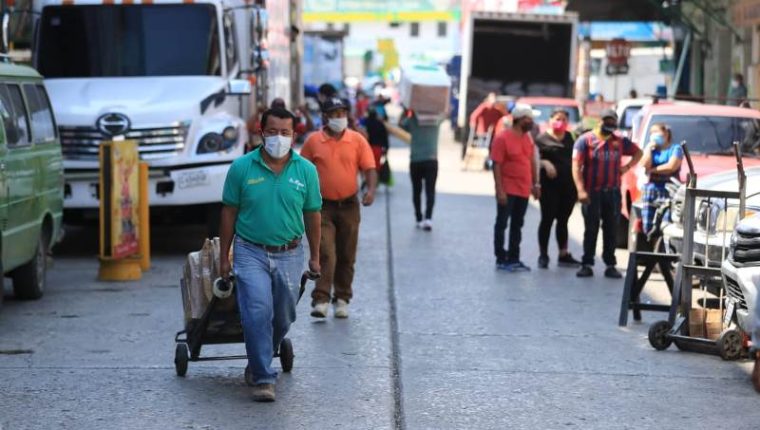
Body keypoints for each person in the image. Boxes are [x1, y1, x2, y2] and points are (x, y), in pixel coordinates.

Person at [219, 107, 322, 402]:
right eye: (273, 132)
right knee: (257, 311)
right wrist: (223, 257)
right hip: (250, 250)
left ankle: (258, 359)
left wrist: (315, 256)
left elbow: (313, 215)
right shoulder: (241, 168)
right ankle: (264, 377)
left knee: (283, 314)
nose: (279, 138)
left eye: (285, 132)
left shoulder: (306, 171)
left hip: (290, 253)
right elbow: (228, 213)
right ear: (261, 133)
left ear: (294, 134)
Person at [300, 97, 377, 319]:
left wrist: (370, 190)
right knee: (326, 252)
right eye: (334, 114)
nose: (339, 118)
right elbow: (301, 171)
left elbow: (369, 167)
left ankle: (342, 298)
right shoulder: (313, 141)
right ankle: (321, 298)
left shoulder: (357, 140)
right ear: (325, 117)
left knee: (346, 254)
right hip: (321, 207)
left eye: (342, 113)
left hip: (349, 205)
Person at [572, 109, 643, 279]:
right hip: (592, 192)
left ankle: (610, 264)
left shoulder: (619, 141)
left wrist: (626, 167)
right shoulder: (586, 140)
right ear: (600, 121)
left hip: (612, 193)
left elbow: (638, 153)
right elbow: (575, 167)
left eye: (613, 121)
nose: (610, 124)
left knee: (611, 230)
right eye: (607, 120)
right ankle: (587, 263)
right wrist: (580, 190)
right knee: (591, 229)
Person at [491, 104, 541, 272]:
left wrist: (536, 184)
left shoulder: (528, 138)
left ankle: (514, 257)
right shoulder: (502, 138)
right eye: (529, 119)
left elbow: (531, 161)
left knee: (517, 224)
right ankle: (500, 257)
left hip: (523, 189)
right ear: (519, 119)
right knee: (502, 223)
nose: (532, 122)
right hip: (508, 188)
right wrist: (499, 190)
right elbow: (496, 164)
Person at [535, 109, 581, 269]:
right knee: (547, 220)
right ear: (550, 119)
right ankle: (543, 255)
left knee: (563, 221)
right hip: (548, 188)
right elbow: (532, 160)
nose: (560, 122)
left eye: (563, 119)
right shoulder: (541, 139)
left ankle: (563, 253)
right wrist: (544, 163)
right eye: (557, 118)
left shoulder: (571, 138)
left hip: (568, 188)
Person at [399, 107, 442, 231]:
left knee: (416, 191)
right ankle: (428, 219)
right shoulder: (437, 119)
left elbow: (400, 123)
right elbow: (447, 110)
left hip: (416, 161)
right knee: (430, 191)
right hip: (431, 160)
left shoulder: (412, 119)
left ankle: (418, 218)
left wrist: (406, 109)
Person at [640, 123, 683, 237]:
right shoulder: (652, 150)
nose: (654, 136)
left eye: (656, 132)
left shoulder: (675, 149)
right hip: (651, 190)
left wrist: (652, 170)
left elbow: (671, 167)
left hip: (669, 190)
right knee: (648, 226)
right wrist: (648, 148)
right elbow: (644, 164)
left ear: (666, 133)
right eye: (652, 133)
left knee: (666, 223)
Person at [468, 92, 506, 158]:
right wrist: (473, 124)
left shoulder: (496, 109)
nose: (493, 100)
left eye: (494, 98)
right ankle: (480, 161)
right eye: (492, 98)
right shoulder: (484, 107)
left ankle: (487, 161)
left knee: (491, 148)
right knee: (482, 149)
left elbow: (504, 117)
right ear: (488, 99)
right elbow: (474, 115)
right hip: (483, 133)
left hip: (492, 133)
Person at [364, 107, 389, 172]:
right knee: (376, 167)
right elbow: (385, 137)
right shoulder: (380, 124)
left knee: (367, 167)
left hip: (367, 148)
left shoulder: (366, 123)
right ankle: (375, 181)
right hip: (378, 149)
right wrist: (386, 149)